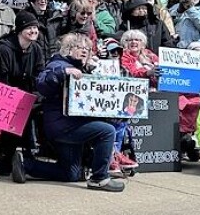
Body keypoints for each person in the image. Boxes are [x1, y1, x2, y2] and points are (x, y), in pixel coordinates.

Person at [16, 33, 126, 192]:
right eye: (79, 48)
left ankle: (26, 164)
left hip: (73, 125)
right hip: (63, 126)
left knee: (70, 173)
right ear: (68, 50)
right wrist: (65, 72)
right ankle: (99, 178)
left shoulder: (85, 68)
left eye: (87, 49)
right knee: (107, 131)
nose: (84, 51)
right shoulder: (58, 64)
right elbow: (42, 83)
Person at [0, 11, 46, 178]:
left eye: (36, 28)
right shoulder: (2, 50)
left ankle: (27, 154)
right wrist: (17, 96)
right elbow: (0, 80)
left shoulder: (36, 49)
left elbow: (39, 75)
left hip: (27, 96)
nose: (34, 31)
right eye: (30, 28)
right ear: (20, 29)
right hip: (3, 96)